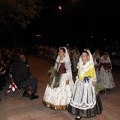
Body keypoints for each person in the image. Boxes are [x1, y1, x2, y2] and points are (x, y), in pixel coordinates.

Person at [68, 49, 102, 120]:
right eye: (82, 56)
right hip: (79, 83)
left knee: (85, 98)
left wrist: (93, 81)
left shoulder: (90, 65)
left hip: (87, 83)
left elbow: (92, 75)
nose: (83, 57)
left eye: (84, 56)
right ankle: (79, 114)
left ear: (88, 57)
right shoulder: (80, 64)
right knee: (78, 98)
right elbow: (78, 74)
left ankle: (86, 112)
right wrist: (77, 79)